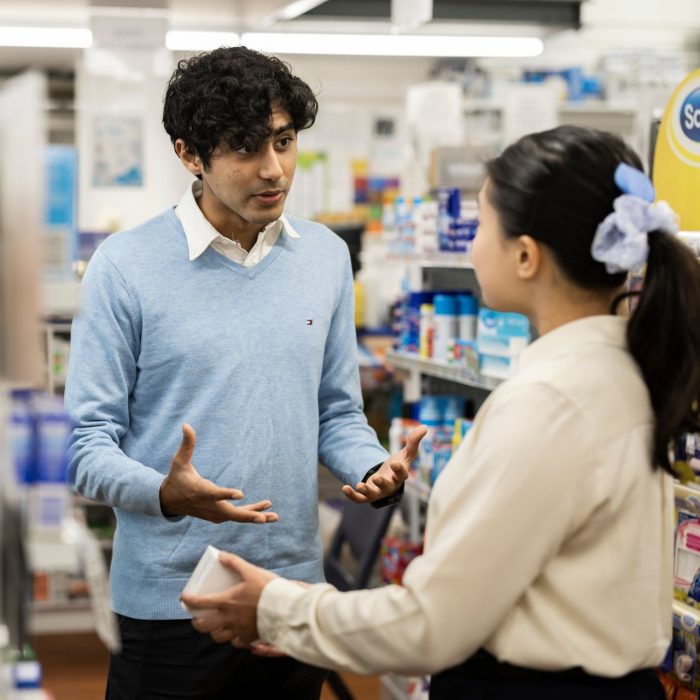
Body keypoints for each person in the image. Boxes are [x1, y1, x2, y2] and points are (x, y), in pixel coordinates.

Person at [182, 125, 700, 699]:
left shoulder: (550, 402)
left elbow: (431, 623)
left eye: (482, 225)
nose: (472, 246)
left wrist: (276, 608)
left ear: (526, 256)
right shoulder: (620, 371)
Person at [65, 46, 425, 700]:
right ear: (188, 155)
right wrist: (166, 493)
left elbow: (337, 412)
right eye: (244, 148)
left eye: (284, 142)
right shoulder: (125, 267)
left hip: (290, 599)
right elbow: (86, 447)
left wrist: (372, 468)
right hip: (174, 600)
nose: (273, 169)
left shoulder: (324, 258)